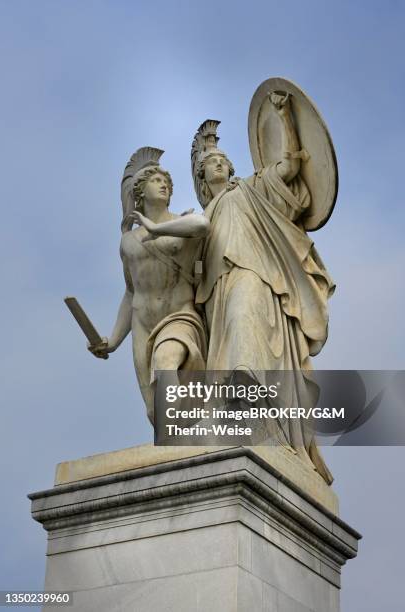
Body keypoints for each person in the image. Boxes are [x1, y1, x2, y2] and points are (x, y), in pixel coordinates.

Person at [191, 94, 334, 483]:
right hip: (215, 293)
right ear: (202, 178)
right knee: (224, 345)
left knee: (244, 328)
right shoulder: (199, 216)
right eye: (210, 163)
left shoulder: (251, 188)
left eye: (222, 160)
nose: (218, 163)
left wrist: (285, 115)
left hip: (255, 278)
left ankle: (251, 411)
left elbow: (289, 165)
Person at [89, 147, 209, 424]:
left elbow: (203, 225)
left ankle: (188, 428)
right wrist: (113, 340)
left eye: (167, 182)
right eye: (157, 181)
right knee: (157, 412)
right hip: (143, 324)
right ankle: (179, 441)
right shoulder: (128, 242)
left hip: (179, 315)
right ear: (140, 192)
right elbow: (131, 292)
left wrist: (156, 230)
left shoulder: (182, 223)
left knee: (167, 363)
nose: (165, 184)